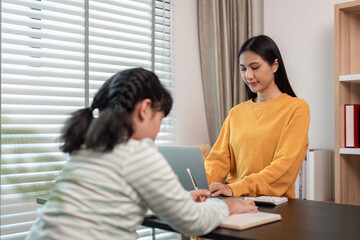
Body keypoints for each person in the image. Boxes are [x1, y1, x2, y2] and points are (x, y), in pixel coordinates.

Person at [26, 68, 258, 240]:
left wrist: (176, 201)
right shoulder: (137, 151)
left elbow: (110, 203)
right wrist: (228, 206)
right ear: (145, 109)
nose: (158, 129)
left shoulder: (89, 146)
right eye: (160, 119)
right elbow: (193, 222)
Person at [205, 35, 310, 199]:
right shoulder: (236, 113)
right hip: (233, 201)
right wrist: (202, 186)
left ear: (275, 65)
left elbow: (284, 168)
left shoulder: (296, 109)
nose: (248, 76)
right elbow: (217, 160)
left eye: (255, 67)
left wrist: (236, 188)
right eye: (243, 69)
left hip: (272, 206)